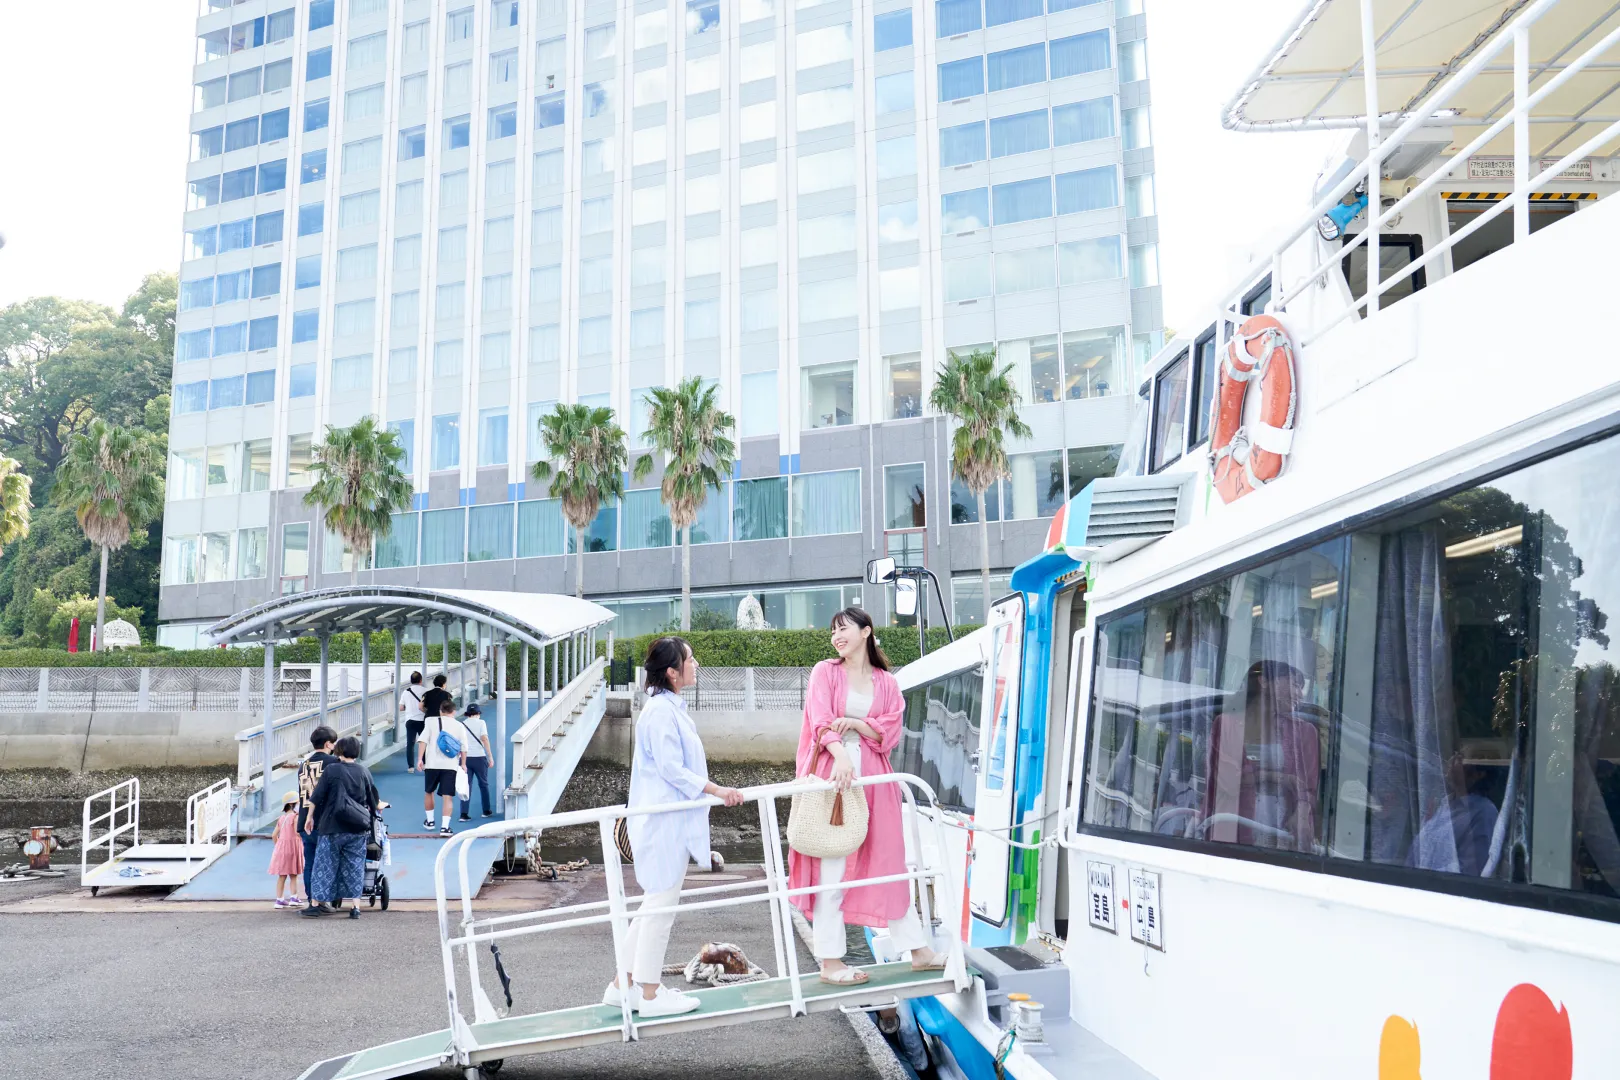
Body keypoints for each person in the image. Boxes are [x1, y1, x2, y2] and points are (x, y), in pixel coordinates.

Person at [788, 607, 945, 985]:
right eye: (833, 631)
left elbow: (889, 732)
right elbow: (819, 721)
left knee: (889, 863)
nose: (836, 637)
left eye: (843, 629)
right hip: (834, 778)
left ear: (866, 632)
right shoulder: (825, 672)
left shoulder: (886, 682)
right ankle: (830, 961)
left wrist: (858, 723)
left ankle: (918, 950)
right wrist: (841, 755)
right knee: (833, 864)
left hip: (875, 780)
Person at [604, 636, 743, 1018]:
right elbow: (671, 768)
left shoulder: (666, 708)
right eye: (690, 659)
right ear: (672, 672)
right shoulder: (661, 712)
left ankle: (622, 986)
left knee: (654, 904)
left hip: (665, 820)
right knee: (660, 909)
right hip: (663, 822)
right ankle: (650, 994)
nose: (695, 664)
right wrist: (717, 790)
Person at [305, 736, 380, 919]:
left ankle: (315, 905)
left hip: (332, 827)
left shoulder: (332, 770)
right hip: (357, 828)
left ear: (339, 750)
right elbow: (373, 801)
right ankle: (355, 907)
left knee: (324, 865)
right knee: (355, 866)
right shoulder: (363, 771)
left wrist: (309, 817)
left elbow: (317, 796)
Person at [296, 726, 338, 910]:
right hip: (325, 821)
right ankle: (322, 899)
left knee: (310, 863)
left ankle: (312, 900)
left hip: (305, 820)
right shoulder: (333, 763)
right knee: (327, 862)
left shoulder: (303, 765)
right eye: (334, 743)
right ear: (328, 744)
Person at [420, 697, 467, 835]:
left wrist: (419, 759)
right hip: (450, 765)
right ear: (454, 711)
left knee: (429, 791)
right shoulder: (459, 726)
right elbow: (464, 748)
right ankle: (445, 827)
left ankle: (430, 821)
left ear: (440, 711)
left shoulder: (430, 721)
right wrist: (463, 764)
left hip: (432, 764)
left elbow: (423, 740)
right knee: (448, 796)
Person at [457, 703, 495, 821]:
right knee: (483, 784)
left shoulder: (462, 724)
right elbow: (484, 738)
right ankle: (486, 811)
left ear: (467, 714)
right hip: (479, 757)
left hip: (465, 758)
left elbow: (458, 742)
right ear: (478, 713)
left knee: (466, 785)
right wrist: (490, 756)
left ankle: (464, 814)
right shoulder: (481, 723)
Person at [268, 791, 305, 908]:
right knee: (293, 874)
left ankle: (279, 900)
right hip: (293, 847)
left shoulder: (281, 818)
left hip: (281, 848)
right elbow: (297, 832)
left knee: (282, 875)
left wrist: (278, 846)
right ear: (291, 804)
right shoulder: (295, 817)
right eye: (297, 803)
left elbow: (274, 835)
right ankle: (294, 897)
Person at [402, 671, 426, 773]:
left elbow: (401, 707)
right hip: (422, 720)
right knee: (424, 742)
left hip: (410, 720)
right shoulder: (425, 691)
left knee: (410, 744)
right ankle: (424, 764)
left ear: (411, 681)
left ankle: (410, 767)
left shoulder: (406, 692)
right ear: (421, 680)